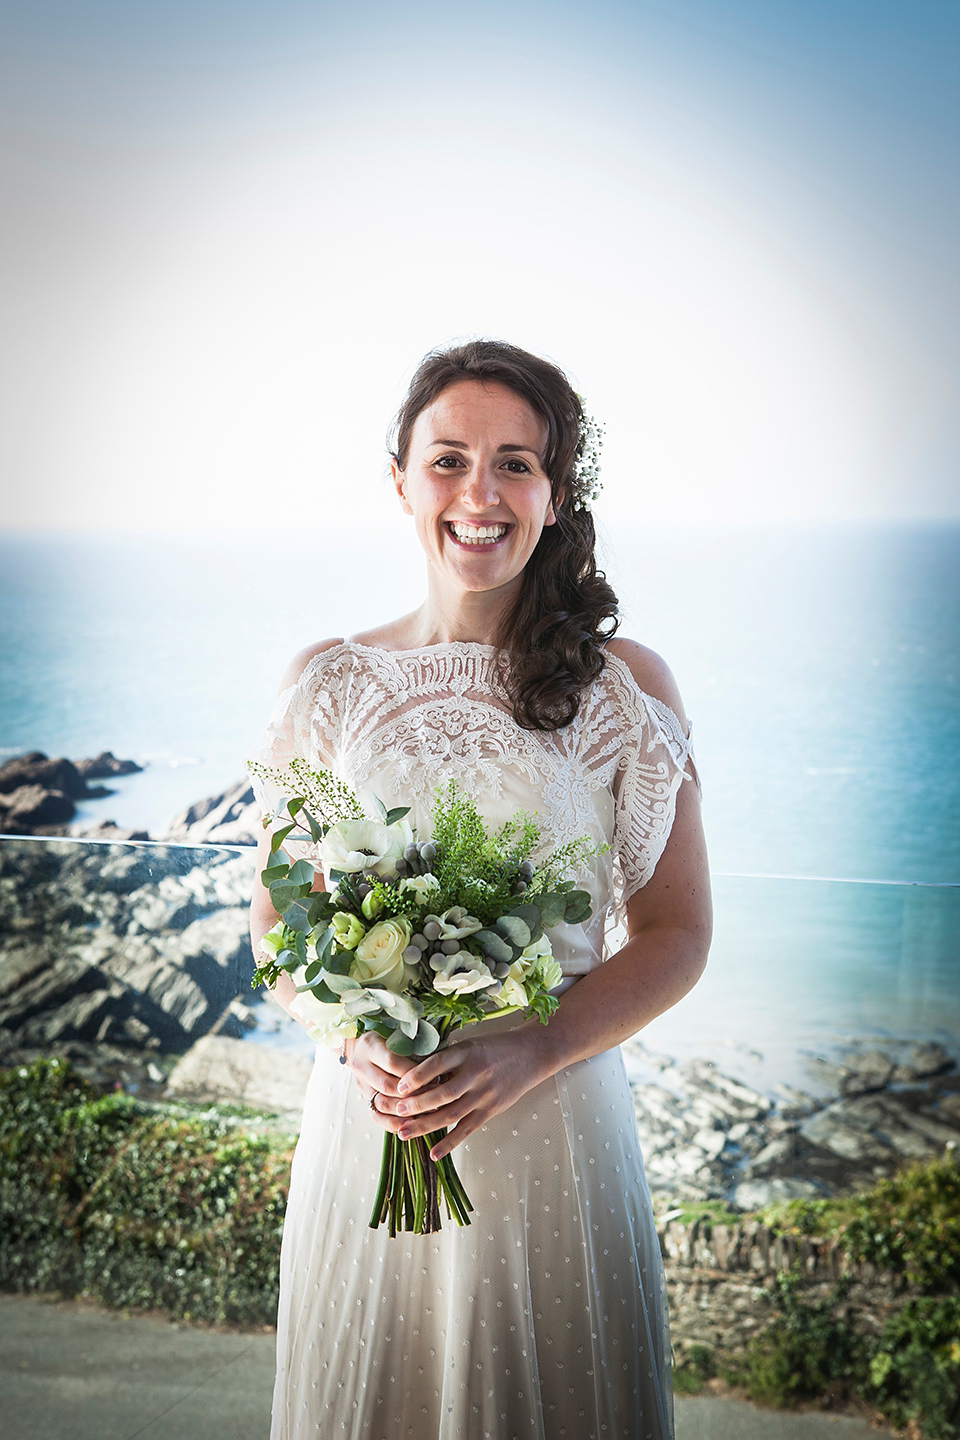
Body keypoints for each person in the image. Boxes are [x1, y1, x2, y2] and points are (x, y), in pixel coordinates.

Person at [248, 339, 712, 1440]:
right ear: (401, 481)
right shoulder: (328, 683)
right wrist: (350, 1033)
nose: (480, 493)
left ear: (555, 496)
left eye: (516, 463)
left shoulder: (625, 687)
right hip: (375, 1124)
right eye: (449, 460)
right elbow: (277, 921)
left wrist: (533, 1047)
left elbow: (679, 933)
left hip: (553, 1126)